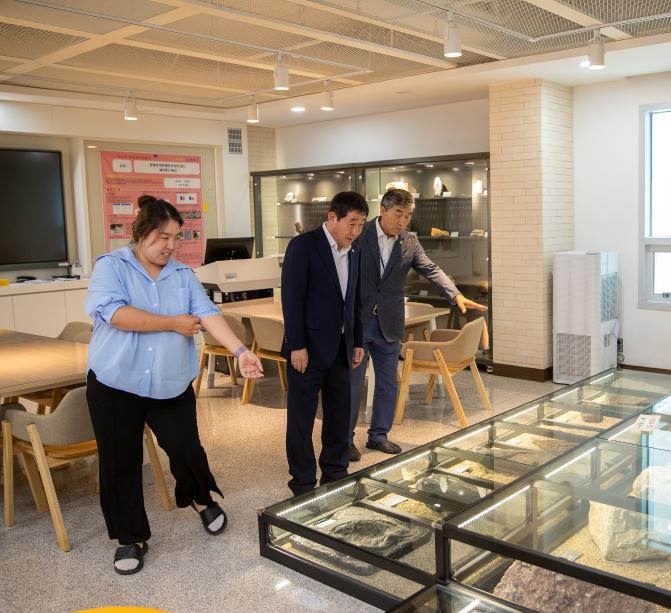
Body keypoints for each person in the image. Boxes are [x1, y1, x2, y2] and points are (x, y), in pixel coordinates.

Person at [84, 198, 264, 576]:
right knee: (120, 462)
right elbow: (115, 314)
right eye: (162, 237)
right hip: (116, 382)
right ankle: (130, 537)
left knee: (186, 450)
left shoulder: (182, 274)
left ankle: (200, 498)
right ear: (140, 233)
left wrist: (241, 350)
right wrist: (172, 322)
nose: (170, 245)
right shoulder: (111, 267)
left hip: (169, 380)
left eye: (176, 237)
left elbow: (207, 313)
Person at [348, 188, 487, 459]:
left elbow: (431, 268)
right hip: (358, 323)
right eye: (398, 214)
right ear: (383, 210)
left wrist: (455, 295)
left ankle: (378, 436)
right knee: (352, 385)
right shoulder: (359, 234)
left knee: (388, 384)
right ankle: (345, 439)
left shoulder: (409, 241)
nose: (403, 221)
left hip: (389, 323)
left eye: (408, 216)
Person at [281, 191, 367, 495]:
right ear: (332, 217)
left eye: (361, 225)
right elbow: (292, 298)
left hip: (342, 348)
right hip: (306, 350)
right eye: (351, 223)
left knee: (339, 415)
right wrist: (297, 345)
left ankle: (335, 472)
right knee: (301, 420)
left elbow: (355, 299)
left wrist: (357, 340)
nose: (355, 231)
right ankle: (302, 482)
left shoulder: (354, 251)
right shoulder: (304, 246)